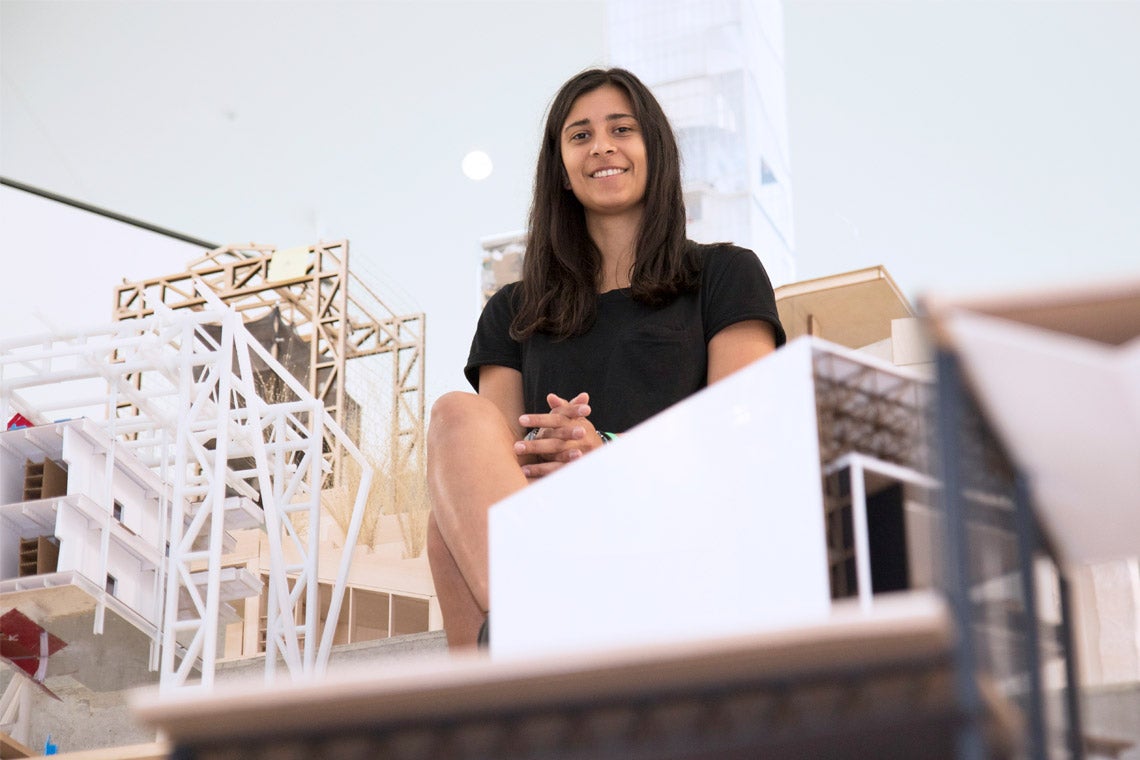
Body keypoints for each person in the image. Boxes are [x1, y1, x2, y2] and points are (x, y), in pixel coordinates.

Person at [426, 67, 786, 649]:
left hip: (671, 523)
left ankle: (523, 640)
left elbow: (737, 440)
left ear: (655, 151)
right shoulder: (513, 310)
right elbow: (495, 466)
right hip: (552, 535)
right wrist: (556, 448)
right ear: (561, 170)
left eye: (622, 129)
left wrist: (608, 457)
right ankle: (526, 628)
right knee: (455, 416)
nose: (602, 147)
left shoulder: (724, 274)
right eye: (580, 136)